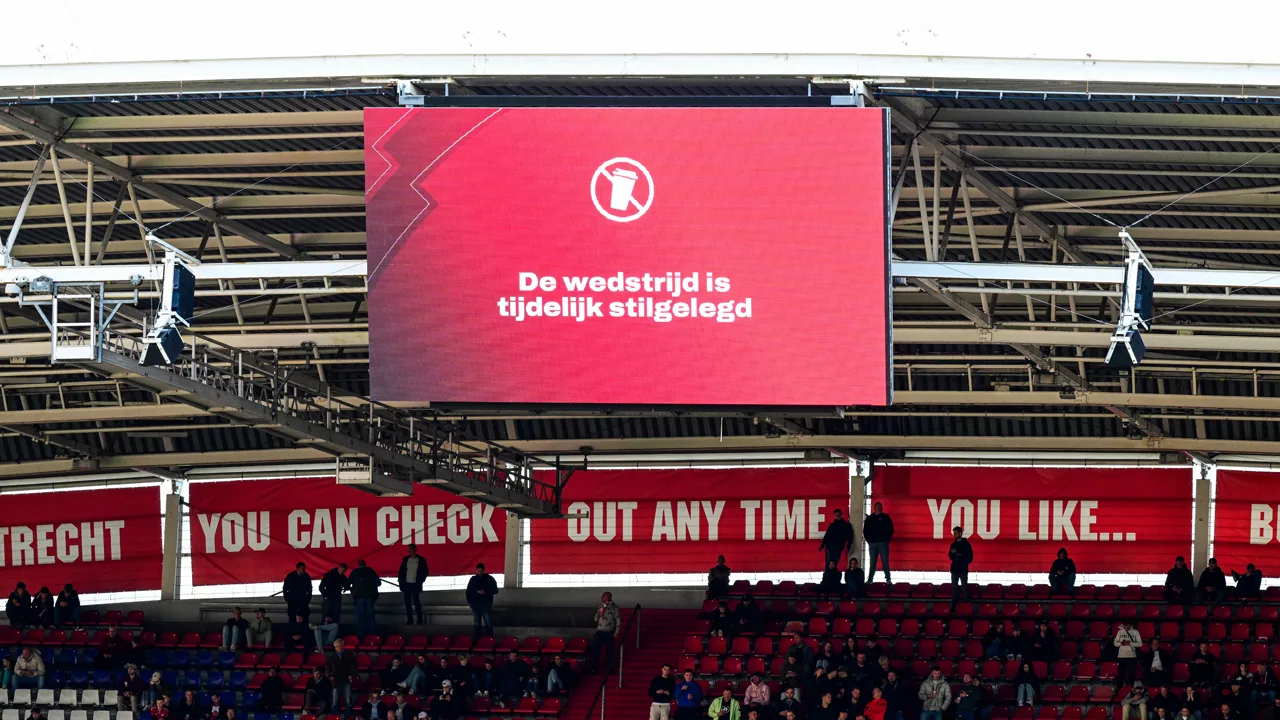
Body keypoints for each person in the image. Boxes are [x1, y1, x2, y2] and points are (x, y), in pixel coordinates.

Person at [584, 591, 620, 674]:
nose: (601, 598)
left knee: (609, 651)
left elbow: (618, 620)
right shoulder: (601, 606)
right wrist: (601, 612)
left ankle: (610, 668)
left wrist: (616, 632)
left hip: (609, 632)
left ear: (608, 597)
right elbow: (595, 619)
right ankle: (593, 668)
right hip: (600, 631)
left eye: (603, 597)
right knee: (596, 650)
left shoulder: (615, 608)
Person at [348, 559, 381, 640]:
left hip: (359, 597)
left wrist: (353, 591)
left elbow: (348, 583)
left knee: (360, 617)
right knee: (370, 616)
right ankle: (372, 635)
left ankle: (360, 637)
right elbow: (378, 583)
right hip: (370, 597)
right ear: (365, 564)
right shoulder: (370, 571)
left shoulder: (355, 572)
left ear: (358, 565)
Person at [397, 544, 429, 625]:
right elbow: (401, 571)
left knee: (416, 602)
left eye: (410, 549)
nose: (409, 551)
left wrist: (420, 581)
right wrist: (401, 582)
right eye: (409, 549)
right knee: (407, 603)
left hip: (415, 584)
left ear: (415, 549)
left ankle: (419, 619)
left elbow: (425, 571)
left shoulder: (421, 559)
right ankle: (410, 620)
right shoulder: (406, 559)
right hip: (407, 584)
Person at [864, 502, 895, 584]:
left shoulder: (885, 517)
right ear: (874, 508)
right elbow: (865, 531)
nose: (878, 508)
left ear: (882, 507)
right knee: (872, 562)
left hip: (883, 543)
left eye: (880, 506)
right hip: (873, 544)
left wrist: (886, 539)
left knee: (885, 561)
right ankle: (870, 579)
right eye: (877, 506)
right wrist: (869, 541)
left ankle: (888, 579)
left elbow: (891, 529)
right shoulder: (870, 518)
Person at [466, 563, 499, 639]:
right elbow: (468, 592)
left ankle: (489, 640)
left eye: (481, 571)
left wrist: (485, 591)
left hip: (485, 605)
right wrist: (471, 603)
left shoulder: (489, 579)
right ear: (476, 571)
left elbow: (495, 590)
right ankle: (479, 641)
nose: (480, 573)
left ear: (484, 570)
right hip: (477, 606)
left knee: (488, 624)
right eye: (479, 571)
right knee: (478, 625)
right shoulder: (473, 579)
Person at [327, 637, 357, 714]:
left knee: (348, 699)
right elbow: (327, 669)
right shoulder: (331, 657)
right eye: (337, 646)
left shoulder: (350, 654)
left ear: (343, 646)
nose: (339, 648)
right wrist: (330, 676)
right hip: (336, 680)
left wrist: (351, 675)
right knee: (335, 700)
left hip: (347, 679)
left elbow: (354, 667)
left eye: (340, 646)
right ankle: (334, 716)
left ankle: (348, 716)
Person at [948, 527, 973, 609]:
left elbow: (970, 557)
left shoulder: (966, 544)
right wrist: (952, 554)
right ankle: (954, 607)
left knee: (964, 588)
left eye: (955, 532)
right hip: (955, 569)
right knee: (954, 589)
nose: (954, 534)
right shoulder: (953, 544)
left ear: (960, 533)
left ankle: (965, 607)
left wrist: (962, 560)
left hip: (962, 569)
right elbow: (950, 556)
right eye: (954, 533)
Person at [1114, 620, 1142, 688]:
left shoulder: (1135, 632)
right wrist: (1121, 643)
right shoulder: (1120, 632)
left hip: (1131, 657)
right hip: (1121, 657)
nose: (1125, 627)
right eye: (1124, 625)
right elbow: (1115, 643)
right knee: (1120, 676)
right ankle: (1119, 691)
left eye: (1127, 625)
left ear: (1130, 625)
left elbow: (1140, 644)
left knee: (1132, 676)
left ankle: (1133, 690)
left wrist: (1130, 643)